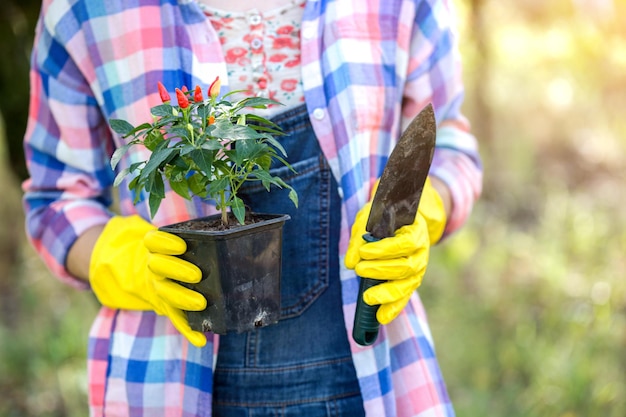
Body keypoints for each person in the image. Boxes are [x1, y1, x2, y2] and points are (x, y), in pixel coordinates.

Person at [22, 0, 482, 416]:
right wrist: (126, 263)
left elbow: (453, 152)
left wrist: (424, 212)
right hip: (165, 384)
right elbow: (56, 201)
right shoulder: (83, 11)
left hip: (372, 378)